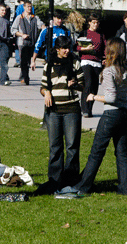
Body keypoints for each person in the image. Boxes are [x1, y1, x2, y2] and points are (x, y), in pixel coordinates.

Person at [62, 37, 127, 196]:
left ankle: (83, 186)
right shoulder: (126, 69)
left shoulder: (109, 71)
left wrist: (93, 97)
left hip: (111, 114)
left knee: (96, 152)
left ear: (112, 52)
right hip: (124, 114)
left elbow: (110, 98)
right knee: (122, 152)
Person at [36, 35, 85, 195]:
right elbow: (42, 87)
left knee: (72, 147)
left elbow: (83, 85)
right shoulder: (48, 64)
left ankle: (70, 180)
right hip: (54, 112)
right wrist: (47, 92)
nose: (67, 50)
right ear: (57, 48)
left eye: (68, 47)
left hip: (71, 110)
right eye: (64, 48)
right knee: (55, 147)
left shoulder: (75, 62)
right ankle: (55, 181)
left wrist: (75, 84)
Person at [78, 14, 106, 118]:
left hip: (97, 61)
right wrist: (83, 49)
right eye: (93, 22)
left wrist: (106, 58)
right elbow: (76, 46)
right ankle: (84, 108)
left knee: (94, 86)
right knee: (88, 83)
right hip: (86, 60)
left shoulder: (101, 34)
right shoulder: (84, 33)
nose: (96, 24)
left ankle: (89, 109)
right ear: (89, 22)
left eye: (97, 23)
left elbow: (105, 47)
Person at [12, 0, 44, 85]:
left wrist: (43, 27)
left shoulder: (35, 18)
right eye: (28, 7)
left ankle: (24, 76)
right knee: (23, 60)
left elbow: (40, 25)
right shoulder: (19, 17)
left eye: (31, 7)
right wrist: (21, 35)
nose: (29, 8)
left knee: (28, 61)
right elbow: (13, 30)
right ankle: (25, 77)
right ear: (24, 7)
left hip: (32, 42)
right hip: (22, 43)